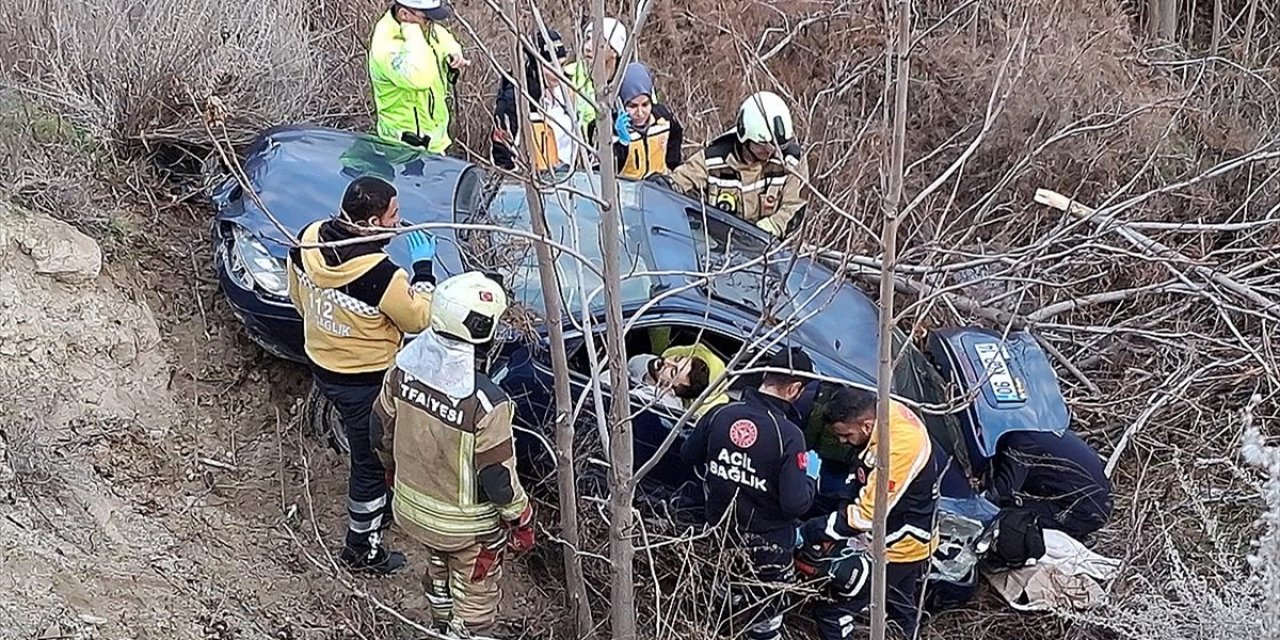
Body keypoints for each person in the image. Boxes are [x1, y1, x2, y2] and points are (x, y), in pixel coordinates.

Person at [286, 176, 439, 573]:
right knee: (368, 464)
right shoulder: (382, 276)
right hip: (366, 381)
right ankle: (361, 549)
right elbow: (419, 319)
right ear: (373, 222)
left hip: (323, 364)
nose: (399, 222)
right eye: (394, 215)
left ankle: (377, 514)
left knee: (373, 447)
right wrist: (423, 270)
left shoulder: (309, 240)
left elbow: (298, 299)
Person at [370, 270, 534, 638]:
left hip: (412, 510)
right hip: (466, 527)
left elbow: (378, 433)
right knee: (475, 595)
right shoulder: (485, 403)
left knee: (437, 568)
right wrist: (520, 518)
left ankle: (442, 625)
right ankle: (465, 631)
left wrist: (392, 473)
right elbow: (496, 476)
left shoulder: (402, 371)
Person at [679, 347, 818, 640]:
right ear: (794, 389)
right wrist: (812, 480)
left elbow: (688, 454)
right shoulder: (790, 435)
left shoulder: (721, 413)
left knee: (718, 612)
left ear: (765, 376)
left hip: (720, 537)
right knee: (763, 624)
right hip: (767, 550)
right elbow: (796, 504)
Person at [796, 386, 940, 640]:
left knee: (833, 612)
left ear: (865, 425)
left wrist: (812, 530)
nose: (842, 441)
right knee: (900, 607)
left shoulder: (899, 446)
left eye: (845, 435)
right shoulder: (882, 416)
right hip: (908, 535)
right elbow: (861, 475)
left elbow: (866, 516)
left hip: (899, 544)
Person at [668, 91, 811, 237]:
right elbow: (676, 183)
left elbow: (795, 207)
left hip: (770, 250)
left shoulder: (792, 162)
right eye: (763, 144)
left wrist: (771, 227)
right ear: (745, 136)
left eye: (776, 145)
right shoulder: (713, 161)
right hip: (717, 248)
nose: (770, 151)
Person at [368, 0, 470, 154]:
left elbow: (442, 37)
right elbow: (419, 77)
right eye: (427, 18)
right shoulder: (386, 47)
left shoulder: (425, 28)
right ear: (404, 14)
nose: (431, 23)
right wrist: (412, 32)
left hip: (434, 148)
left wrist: (453, 52)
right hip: (402, 151)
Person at [984, 429, 1113, 541]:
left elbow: (1001, 493)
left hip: (1084, 512)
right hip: (1098, 499)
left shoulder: (1022, 442)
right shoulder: (1037, 428)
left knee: (1009, 516)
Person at [491, 28, 582, 174]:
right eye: (551, 66)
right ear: (536, 65)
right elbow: (502, 154)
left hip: (567, 181)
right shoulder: (516, 98)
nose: (558, 73)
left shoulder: (568, 91)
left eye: (562, 64)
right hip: (531, 184)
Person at [612, 62, 684, 179]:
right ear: (621, 104)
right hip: (626, 191)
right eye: (633, 106)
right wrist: (621, 144)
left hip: (659, 188)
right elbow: (602, 172)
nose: (640, 113)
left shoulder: (663, 118)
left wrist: (671, 168)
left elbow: (676, 134)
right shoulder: (609, 128)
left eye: (645, 105)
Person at [624, 342, 730, 418]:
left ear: (669, 389)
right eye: (677, 359)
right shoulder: (652, 365)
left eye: (673, 372)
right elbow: (636, 362)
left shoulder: (659, 403)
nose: (667, 362)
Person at [565, 16, 628, 135]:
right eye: (587, 39)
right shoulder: (569, 77)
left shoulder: (631, 81)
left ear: (614, 51)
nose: (587, 47)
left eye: (596, 42)